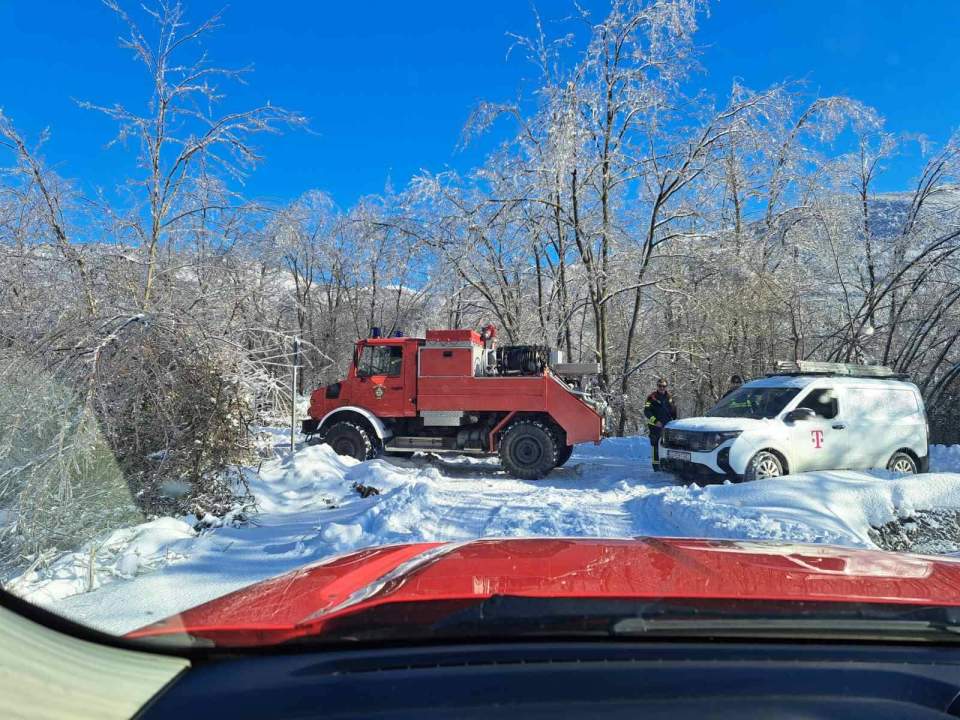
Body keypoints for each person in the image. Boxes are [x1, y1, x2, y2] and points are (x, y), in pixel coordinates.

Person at [644, 378, 678, 472]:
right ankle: (656, 467)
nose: (662, 388)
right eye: (660, 386)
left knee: (668, 445)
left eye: (664, 386)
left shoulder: (669, 397)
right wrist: (655, 421)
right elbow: (647, 411)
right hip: (655, 426)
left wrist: (675, 421)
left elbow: (673, 409)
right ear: (657, 386)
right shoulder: (651, 397)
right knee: (655, 445)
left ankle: (667, 465)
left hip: (667, 425)